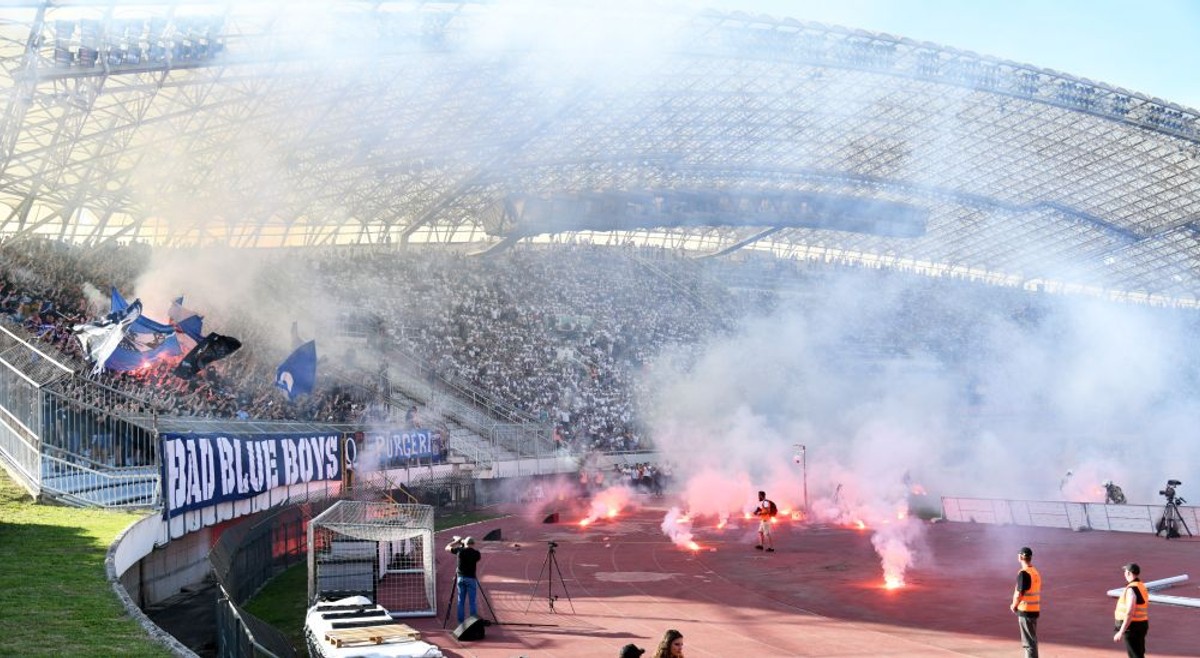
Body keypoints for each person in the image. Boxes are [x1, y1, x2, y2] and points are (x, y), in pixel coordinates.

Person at [1010, 546, 1041, 658]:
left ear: (1020, 557)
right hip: (1034, 609)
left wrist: (1014, 605)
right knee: (1032, 640)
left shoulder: (1024, 573)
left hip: (1026, 610)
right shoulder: (1034, 572)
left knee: (1028, 643)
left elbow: (1020, 592)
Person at [1113, 562, 1149, 657]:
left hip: (1132, 627)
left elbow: (1129, 612)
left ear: (1128, 573)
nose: (1124, 573)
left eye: (1125, 571)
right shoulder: (1141, 586)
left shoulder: (1131, 589)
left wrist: (1121, 631)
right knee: (1138, 654)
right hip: (1142, 624)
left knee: (1134, 655)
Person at [445, 535, 482, 623]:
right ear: (473, 544)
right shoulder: (477, 554)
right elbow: (472, 554)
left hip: (460, 578)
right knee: (472, 602)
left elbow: (447, 547)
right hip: (471, 579)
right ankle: (473, 622)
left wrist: (456, 542)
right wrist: (463, 544)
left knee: (460, 601)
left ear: (465, 543)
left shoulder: (460, 551)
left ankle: (460, 623)